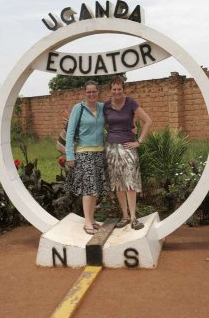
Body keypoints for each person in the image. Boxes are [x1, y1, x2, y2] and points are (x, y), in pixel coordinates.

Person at [103, 75, 152, 230]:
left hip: (128, 146)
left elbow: (148, 121)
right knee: (118, 184)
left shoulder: (131, 102)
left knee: (130, 182)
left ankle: (133, 218)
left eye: (119, 89)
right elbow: (98, 123)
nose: (117, 92)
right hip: (111, 147)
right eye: (114, 89)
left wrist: (139, 141)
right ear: (110, 90)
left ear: (123, 89)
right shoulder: (105, 106)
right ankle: (124, 216)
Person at [65, 80, 108, 235]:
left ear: (98, 92)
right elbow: (70, 132)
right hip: (84, 153)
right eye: (88, 92)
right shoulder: (79, 108)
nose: (91, 94)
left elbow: (115, 120)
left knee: (95, 187)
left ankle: (92, 219)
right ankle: (87, 222)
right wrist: (70, 154)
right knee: (88, 188)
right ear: (85, 93)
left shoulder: (103, 107)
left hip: (99, 152)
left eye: (94, 91)